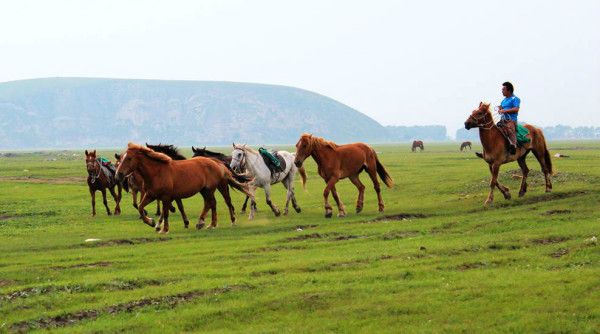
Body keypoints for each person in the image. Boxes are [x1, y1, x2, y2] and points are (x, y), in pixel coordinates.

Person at [497, 81, 520, 154]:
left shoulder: (515, 99)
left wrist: (505, 111)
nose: (502, 91)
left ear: (509, 90)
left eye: (503, 90)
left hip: (511, 121)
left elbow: (516, 109)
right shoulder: (504, 100)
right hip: (503, 120)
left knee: (509, 130)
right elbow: (501, 108)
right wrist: (499, 109)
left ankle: (514, 146)